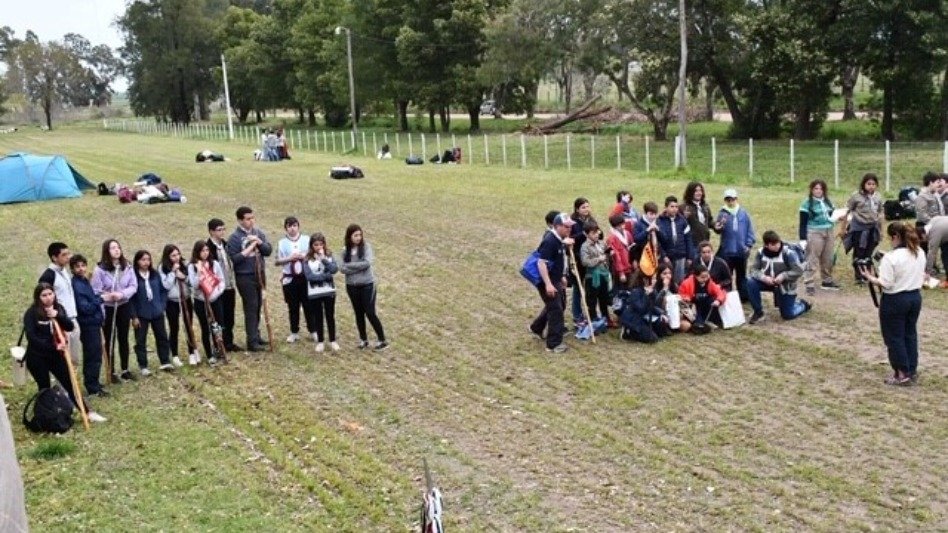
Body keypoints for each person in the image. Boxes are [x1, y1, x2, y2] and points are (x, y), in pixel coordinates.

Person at [23, 283, 106, 422]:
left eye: (50, 294)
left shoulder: (58, 308)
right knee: (44, 387)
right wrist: (54, 347)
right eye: (44, 295)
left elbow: (69, 326)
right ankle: (46, 416)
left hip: (56, 356)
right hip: (37, 356)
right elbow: (32, 337)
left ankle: (86, 412)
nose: (48, 298)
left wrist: (58, 316)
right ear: (38, 297)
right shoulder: (31, 313)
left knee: (70, 383)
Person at [859, 222, 926, 385]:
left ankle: (901, 373)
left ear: (895, 237)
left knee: (894, 337)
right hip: (914, 297)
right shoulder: (919, 252)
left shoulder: (891, 258)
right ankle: (911, 369)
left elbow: (886, 283)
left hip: (895, 300)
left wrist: (870, 277)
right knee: (910, 334)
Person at [226, 206, 273, 352]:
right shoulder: (235, 238)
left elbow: (268, 251)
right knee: (251, 306)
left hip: (259, 274)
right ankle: (251, 341)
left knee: (258, 304)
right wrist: (249, 248)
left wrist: (259, 242)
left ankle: (256, 335)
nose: (251, 221)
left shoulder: (258, 233)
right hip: (245, 276)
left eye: (252, 218)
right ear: (240, 220)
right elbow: (234, 259)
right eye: (248, 219)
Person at [91, 239, 138, 382]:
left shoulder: (127, 267)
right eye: (113, 248)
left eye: (118, 247)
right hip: (108, 308)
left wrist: (122, 294)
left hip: (123, 306)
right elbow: (96, 291)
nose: (117, 250)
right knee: (109, 339)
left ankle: (125, 369)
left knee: (124, 338)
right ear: (107, 251)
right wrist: (108, 296)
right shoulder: (100, 270)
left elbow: (133, 286)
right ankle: (110, 371)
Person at [338, 224, 388, 350]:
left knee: (370, 312)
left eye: (360, 235)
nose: (358, 237)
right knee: (358, 313)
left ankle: (382, 339)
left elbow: (367, 263)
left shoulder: (366, 247)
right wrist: (356, 266)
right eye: (355, 235)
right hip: (352, 286)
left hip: (367, 285)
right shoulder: (345, 251)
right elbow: (342, 268)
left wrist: (350, 265)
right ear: (349, 236)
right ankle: (363, 339)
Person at [529, 213, 574, 353]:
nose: (569, 229)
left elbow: (557, 261)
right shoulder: (550, 241)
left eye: (570, 227)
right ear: (557, 226)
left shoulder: (559, 239)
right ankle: (553, 344)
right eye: (566, 227)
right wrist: (548, 284)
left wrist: (561, 277)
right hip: (547, 281)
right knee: (556, 310)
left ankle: (536, 327)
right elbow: (541, 263)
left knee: (558, 305)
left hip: (555, 279)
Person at [746, 230, 811, 324]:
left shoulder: (788, 253)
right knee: (750, 282)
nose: (777, 246)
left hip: (785, 285)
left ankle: (802, 305)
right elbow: (753, 270)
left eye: (778, 243)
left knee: (788, 315)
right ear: (766, 245)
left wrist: (783, 276)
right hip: (769, 282)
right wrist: (763, 278)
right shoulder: (760, 252)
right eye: (773, 244)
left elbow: (798, 271)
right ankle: (758, 312)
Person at [129, 250, 173, 374]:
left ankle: (165, 360)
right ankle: (143, 365)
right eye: (143, 260)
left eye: (148, 259)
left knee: (162, 336)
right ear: (137, 261)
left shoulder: (155, 275)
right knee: (140, 340)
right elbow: (130, 298)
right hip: (141, 313)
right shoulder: (133, 277)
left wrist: (162, 305)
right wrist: (134, 316)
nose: (146, 262)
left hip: (157, 311)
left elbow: (163, 291)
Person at [69, 255, 107, 397]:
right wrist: (100, 299)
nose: (81, 269)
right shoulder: (77, 285)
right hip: (87, 323)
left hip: (94, 322)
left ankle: (94, 382)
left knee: (95, 354)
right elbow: (85, 307)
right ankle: (92, 387)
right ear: (72, 269)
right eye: (77, 266)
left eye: (83, 265)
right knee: (92, 355)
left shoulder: (84, 281)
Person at [39, 242, 81, 366]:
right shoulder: (48, 276)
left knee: (74, 359)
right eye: (64, 255)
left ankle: (73, 378)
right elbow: (43, 298)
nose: (68, 257)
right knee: (63, 359)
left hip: (72, 319)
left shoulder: (65, 271)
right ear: (54, 257)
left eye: (68, 253)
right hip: (60, 321)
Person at [713, 188, 756, 302]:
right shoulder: (722, 213)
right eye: (728, 200)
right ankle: (728, 295)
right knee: (728, 275)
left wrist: (749, 245)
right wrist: (719, 227)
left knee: (741, 275)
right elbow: (718, 229)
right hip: (727, 251)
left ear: (736, 199)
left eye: (732, 199)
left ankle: (743, 296)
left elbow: (750, 230)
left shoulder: (743, 213)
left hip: (741, 250)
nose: (730, 202)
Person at [798, 179, 840, 295]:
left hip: (829, 230)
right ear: (811, 190)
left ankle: (827, 280)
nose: (818, 191)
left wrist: (840, 216)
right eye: (816, 188)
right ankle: (809, 282)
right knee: (812, 257)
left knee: (828, 257)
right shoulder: (806, 204)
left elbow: (832, 216)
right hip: (814, 232)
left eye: (821, 189)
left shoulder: (828, 202)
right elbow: (802, 223)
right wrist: (802, 239)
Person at [188, 240, 226, 364]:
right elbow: (194, 285)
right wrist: (200, 272)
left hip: (215, 299)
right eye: (202, 251)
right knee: (205, 327)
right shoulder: (192, 266)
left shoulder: (214, 264)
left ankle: (219, 348)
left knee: (218, 326)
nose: (205, 253)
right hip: (201, 301)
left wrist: (217, 292)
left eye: (207, 250)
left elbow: (221, 280)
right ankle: (209, 354)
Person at [276, 216, 313, 344]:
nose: (292, 228)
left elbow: (314, 255)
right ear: (285, 228)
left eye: (294, 226)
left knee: (308, 305)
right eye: (289, 226)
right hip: (290, 279)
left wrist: (304, 256)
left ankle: (313, 330)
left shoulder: (307, 239)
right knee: (293, 306)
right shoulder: (282, 243)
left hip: (305, 277)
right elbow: (277, 261)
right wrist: (289, 258)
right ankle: (294, 332)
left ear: (298, 226)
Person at [159, 244, 196, 367]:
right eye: (173, 255)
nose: (176, 257)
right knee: (174, 327)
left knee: (188, 325)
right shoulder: (162, 268)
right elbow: (166, 286)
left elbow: (192, 282)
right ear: (168, 257)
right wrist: (173, 273)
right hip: (172, 301)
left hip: (186, 299)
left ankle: (192, 353)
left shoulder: (185, 265)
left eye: (178, 254)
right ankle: (175, 355)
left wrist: (183, 276)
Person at [206, 218, 240, 351]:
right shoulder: (208, 248)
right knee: (218, 318)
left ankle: (229, 342)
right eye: (219, 230)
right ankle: (218, 344)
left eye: (223, 229)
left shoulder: (225, 245)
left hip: (229, 285)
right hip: (217, 288)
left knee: (229, 316)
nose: (222, 232)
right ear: (211, 231)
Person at [303, 233, 340, 352]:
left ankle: (332, 340)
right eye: (316, 244)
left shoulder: (329, 256)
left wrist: (323, 259)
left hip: (329, 291)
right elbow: (309, 276)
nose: (318, 247)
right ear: (311, 245)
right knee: (318, 317)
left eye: (321, 244)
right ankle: (320, 341)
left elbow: (334, 269)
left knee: (330, 316)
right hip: (315, 293)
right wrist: (325, 276)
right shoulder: (307, 259)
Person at [844, 173, 884, 285]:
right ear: (864, 184)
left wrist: (881, 229)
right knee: (859, 251)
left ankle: (867, 274)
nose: (871, 186)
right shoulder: (856, 196)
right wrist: (844, 227)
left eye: (873, 184)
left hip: (872, 227)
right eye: (868, 184)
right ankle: (859, 276)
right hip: (859, 228)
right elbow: (848, 209)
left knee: (869, 252)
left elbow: (880, 212)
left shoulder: (878, 197)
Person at [618, 271, 670, 343]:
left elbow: (654, 305)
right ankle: (628, 331)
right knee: (652, 338)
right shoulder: (636, 291)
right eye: (653, 278)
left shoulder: (653, 290)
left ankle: (645, 330)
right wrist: (646, 295)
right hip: (634, 319)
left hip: (644, 316)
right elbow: (640, 308)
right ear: (645, 279)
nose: (655, 281)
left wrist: (661, 314)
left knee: (660, 329)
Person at [569, 198, 598, 325]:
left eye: (587, 206)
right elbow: (570, 238)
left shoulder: (591, 220)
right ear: (577, 209)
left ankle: (592, 313)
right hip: (577, 258)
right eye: (583, 207)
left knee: (591, 287)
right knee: (578, 287)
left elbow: (598, 233)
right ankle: (577, 315)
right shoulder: (573, 223)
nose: (586, 209)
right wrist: (583, 234)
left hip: (591, 256)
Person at [655, 195, 694, 285]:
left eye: (676, 207)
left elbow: (688, 239)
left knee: (679, 280)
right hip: (667, 256)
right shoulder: (660, 221)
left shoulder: (682, 221)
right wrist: (664, 255)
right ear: (666, 207)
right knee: (667, 279)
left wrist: (690, 256)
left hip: (680, 255)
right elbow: (658, 241)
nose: (674, 209)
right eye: (672, 206)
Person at [579, 221, 613, 327]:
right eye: (593, 233)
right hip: (592, 277)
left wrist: (609, 253)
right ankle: (593, 321)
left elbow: (606, 254)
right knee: (592, 301)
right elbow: (585, 262)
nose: (597, 234)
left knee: (604, 298)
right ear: (587, 234)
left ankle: (606, 318)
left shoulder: (601, 243)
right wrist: (598, 259)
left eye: (597, 232)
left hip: (603, 275)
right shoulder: (585, 246)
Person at [678, 264, 726, 330]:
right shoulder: (686, 283)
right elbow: (680, 295)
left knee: (711, 301)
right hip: (693, 307)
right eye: (702, 277)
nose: (705, 279)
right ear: (696, 276)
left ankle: (709, 321)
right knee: (697, 318)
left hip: (707, 306)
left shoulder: (710, 282)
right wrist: (686, 298)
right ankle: (700, 324)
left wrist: (718, 300)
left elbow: (719, 292)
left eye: (707, 276)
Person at [654, 264, 691, 332]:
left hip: (675, 314)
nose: (668, 276)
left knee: (686, 326)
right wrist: (664, 288)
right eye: (664, 273)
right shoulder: (655, 287)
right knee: (666, 299)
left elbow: (679, 298)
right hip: (662, 313)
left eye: (669, 273)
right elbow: (656, 303)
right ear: (659, 275)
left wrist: (682, 299)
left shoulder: (674, 285)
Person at [605, 214, 634, 289]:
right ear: (614, 227)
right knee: (620, 289)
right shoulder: (612, 238)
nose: (622, 227)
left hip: (629, 266)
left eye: (623, 224)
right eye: (619, 226)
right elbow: (616, 256)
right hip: (619, 270)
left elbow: (632, 246)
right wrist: (621, 272)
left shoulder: (627, 234)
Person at [682, 181, 713, 247]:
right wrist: (684, 217)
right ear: (690, 192)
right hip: (691, 244)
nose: (699, 193)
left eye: (700, 190)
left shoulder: (705, 206)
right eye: (696, 191)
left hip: (705, 243)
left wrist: (716, 225)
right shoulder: (684, 207)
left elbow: (709, 221)